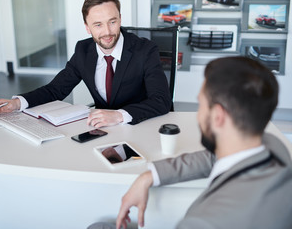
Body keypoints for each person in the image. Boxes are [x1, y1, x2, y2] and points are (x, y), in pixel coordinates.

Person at [89, 56, 292, 229]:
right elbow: (212, 157)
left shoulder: (203, 221)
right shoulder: (274, 147)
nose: (198, 115)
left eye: (201, 104)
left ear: (218, 116)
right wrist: (148, 176)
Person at [0, 0, 171, 128]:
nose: (107, 31)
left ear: (120, 19)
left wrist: (119, 116)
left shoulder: (146, 50)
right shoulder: (83, 50)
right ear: (87, 28)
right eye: (98, 25)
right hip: (101, 129)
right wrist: (18, 103)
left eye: (112, 22)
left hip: (140, 126)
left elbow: (161, 100)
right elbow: (55, 89)